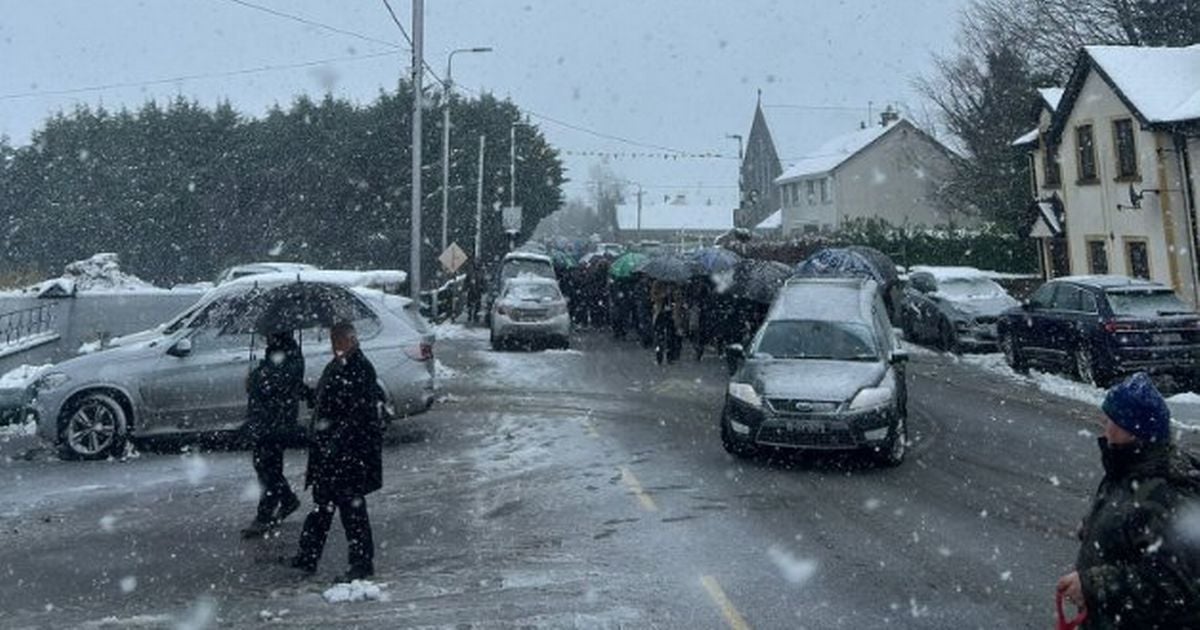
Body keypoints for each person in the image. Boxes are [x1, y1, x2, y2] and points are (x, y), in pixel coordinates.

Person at [1056, 372, 1200, 629]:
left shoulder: (1162, 494)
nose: (1105, 426)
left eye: (1112, 420)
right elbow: (1127, 525)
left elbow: (1174, 587)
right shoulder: (1127, 469)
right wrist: (1095, 527)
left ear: (1132, 432)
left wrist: (1092, 586)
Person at [289, 322, 385, 581]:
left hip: (349, 455)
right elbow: (328, 402)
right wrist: (307, 393)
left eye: (340, 341)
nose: (335, 347)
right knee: (323, 505)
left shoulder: (360, 368)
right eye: (333, 342)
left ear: (352, 340)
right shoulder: (338, 365)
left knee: (351, 511)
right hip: (331, 453)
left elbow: (358, 415)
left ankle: (362, 564)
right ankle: (308, 555)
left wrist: (337, 442)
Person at [241, 331, 305, 538]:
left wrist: (256, 380)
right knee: (265, 465)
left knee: (267, 466)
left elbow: (279, 382)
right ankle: (286, 500)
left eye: (268, 334)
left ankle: (265, 515)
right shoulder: (276, 353)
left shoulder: (290, 355)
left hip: (276, 421)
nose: (264, 336)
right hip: (265, 420)